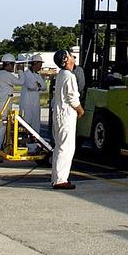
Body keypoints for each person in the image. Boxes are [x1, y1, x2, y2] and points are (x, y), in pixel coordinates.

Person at [51, 48, 84, 190]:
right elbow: (72, 98)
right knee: (66, 147)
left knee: (60, 146)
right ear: (65, 59)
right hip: (66, 115)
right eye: (71, 56)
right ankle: (60, 180)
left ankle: (57, 178)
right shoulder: (69, 76)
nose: (73, 58)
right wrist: (80, 110)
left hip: (59, 113)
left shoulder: (61, 75)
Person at [0, 54, 20, 151]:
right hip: (3, 106)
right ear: (9, 64)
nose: (13, 67)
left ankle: (1, 150)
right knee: (0, 130)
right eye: (13, 65)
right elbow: (21, 82)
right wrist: (21, 71)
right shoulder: (7, 75)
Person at [19, 54, 47, 139]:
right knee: (26, 123)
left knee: (35, 123)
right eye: (40, 64)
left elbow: (44, 87)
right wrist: (38, 86)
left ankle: (34, 143)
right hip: (26, 103)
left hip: (35, 103)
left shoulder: (37, 75)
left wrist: (37, 86)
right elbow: (31, 86)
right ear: (35, 63)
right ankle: (25, 143)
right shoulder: (26, 74)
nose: (41, 66)